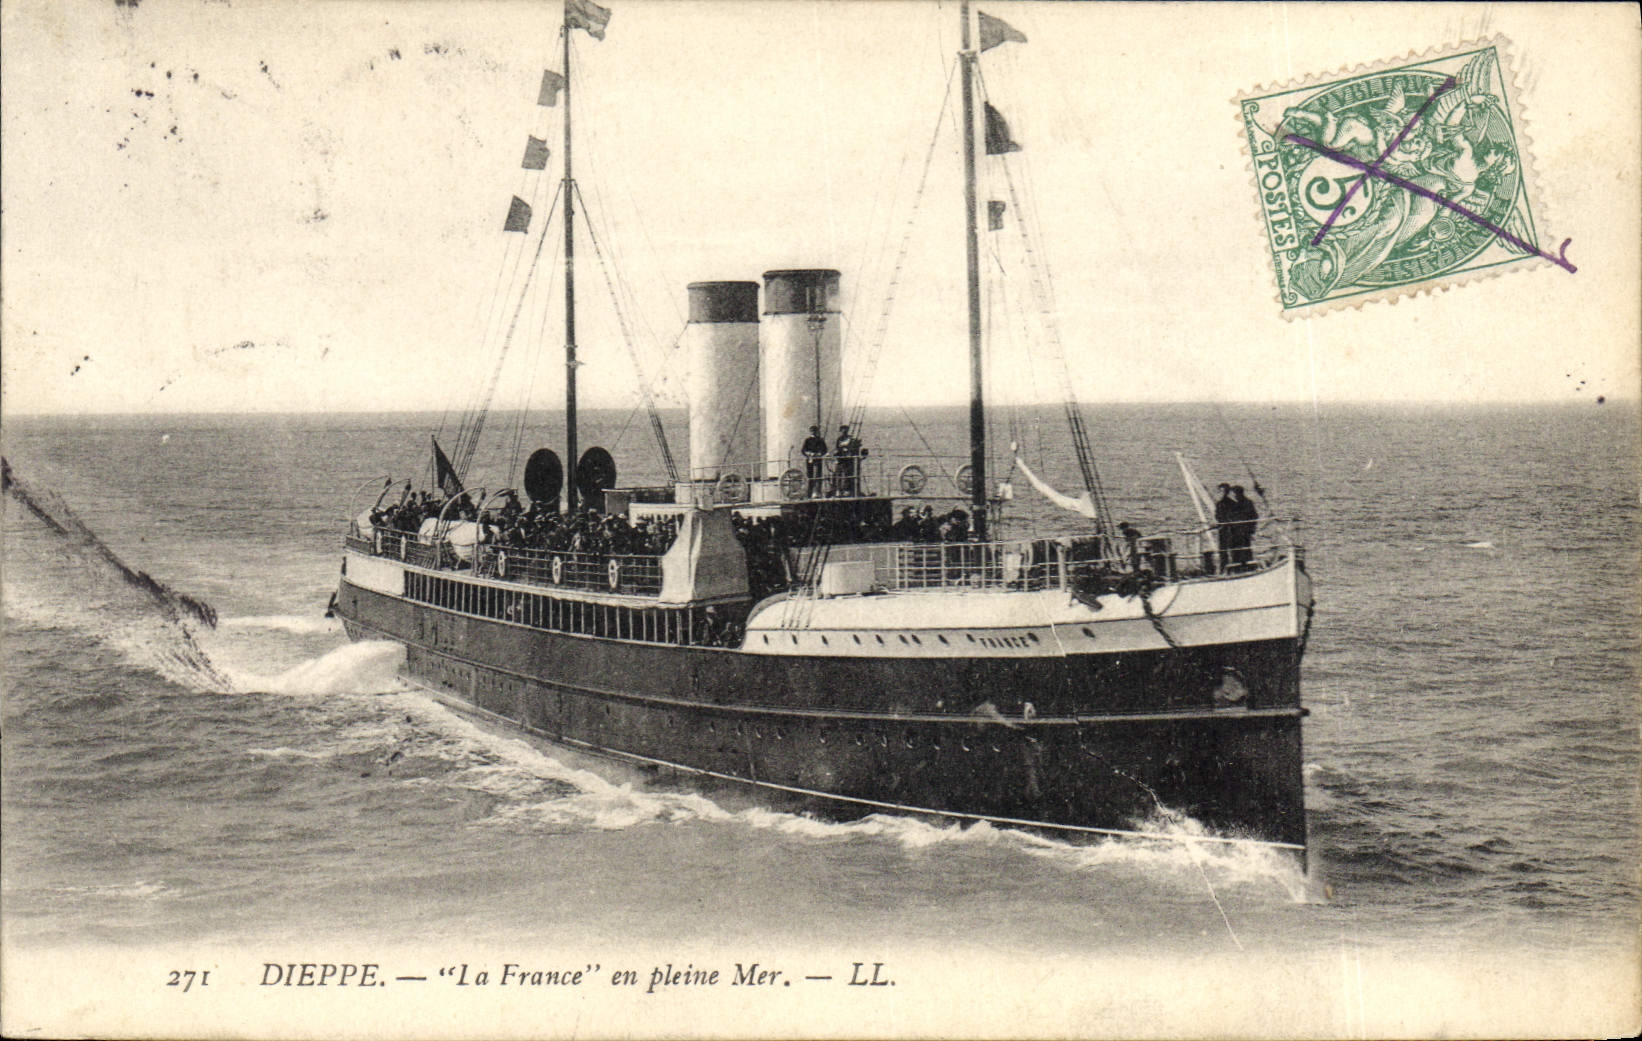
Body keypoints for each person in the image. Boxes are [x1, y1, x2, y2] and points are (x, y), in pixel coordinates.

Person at [1229, 485, 1258, 566]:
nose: (1234, 495)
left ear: (1239, 493)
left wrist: (1251, 529)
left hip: (1244, 531)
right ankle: (1238, 566)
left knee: (1245, 550)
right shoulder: (1235, 504)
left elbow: (1254, 516)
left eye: (1235, 493)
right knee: (1236, 551)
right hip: (1235, 532)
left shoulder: (1247, 503)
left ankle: (1247, 566)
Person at [833, 424, 863, 496]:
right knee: (838, 475)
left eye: (845, 429)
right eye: (843, 430)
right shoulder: (839, 439)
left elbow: (852, 447)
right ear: (841, 431)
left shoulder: (850, 439)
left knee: (847, 475)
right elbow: (837, 448)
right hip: (840, 459)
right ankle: (838, 490)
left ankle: (846, 490)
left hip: (847, 460)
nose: (844, 431)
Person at [801, 425, 829, 498]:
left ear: (816, 431)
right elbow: (803, 450)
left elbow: (825, 450)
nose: (813, 432)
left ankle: (818, 492)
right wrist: (809, 454)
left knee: (818, 476)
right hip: (810, 460)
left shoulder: (820, 440)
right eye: (812, 431)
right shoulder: (807, 440)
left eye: (814, 431)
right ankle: (809, 493)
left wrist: (820, 453)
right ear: (810, 432)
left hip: (818, 460)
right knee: (810, 476)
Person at [1213, 483, 1235, 572]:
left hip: (1231, 529)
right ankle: (1224, 568)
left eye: (1224, 491)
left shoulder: (1232, 503)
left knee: (1232, 549)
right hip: (1222, 529)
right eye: (1221, 491)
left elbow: (1234, 515)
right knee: (1223, 550)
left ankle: (1233, 567)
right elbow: (1217, 515)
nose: (1222, 493)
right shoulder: (1219, 504)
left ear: (1227, 492)